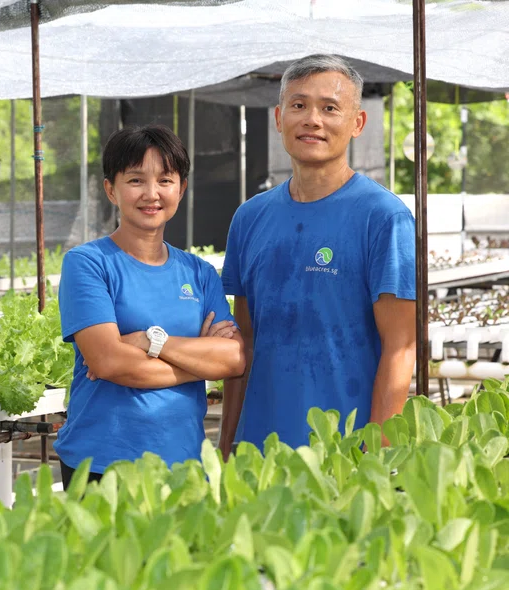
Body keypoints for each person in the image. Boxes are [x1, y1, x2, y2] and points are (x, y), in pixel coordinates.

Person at [219, 54, 417, 457]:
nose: (312, 119)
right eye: (298, 105)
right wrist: (226, 445)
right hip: (260, 451)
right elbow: (245, 345)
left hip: (343, 452)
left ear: (358, 123)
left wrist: (374, 455)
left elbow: (401, 348)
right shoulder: (249, 218)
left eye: (330, 108)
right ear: (278, 118)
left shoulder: (383, 217)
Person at [56, 124, 246, 489]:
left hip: (185, 462)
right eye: (135, 180)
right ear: (111, 189)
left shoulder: (200, 273)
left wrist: (149, 341)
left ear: (182, 188)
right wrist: (199, 366)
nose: (151, 193)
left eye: (165, 180)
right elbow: (109, 362)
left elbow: (234, 359)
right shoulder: (88, 264)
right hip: (101, 463)